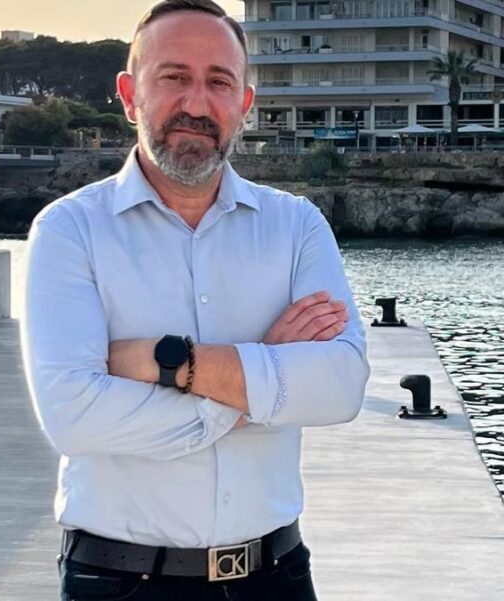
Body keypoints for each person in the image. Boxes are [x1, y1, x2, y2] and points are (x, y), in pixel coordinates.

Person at [21, 1, 370, 599]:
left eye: (219, 82)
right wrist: (262, 376)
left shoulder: (296, 227)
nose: (197, 104)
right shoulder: (69, 230)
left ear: (244, 104)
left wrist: (170, 365)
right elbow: (73, 416)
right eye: (174, 77)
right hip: (121, 582)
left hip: (275, 576)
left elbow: (340, 386)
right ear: (129, 95)